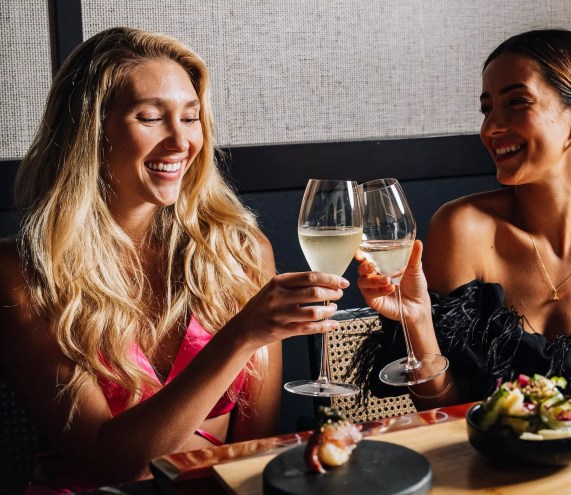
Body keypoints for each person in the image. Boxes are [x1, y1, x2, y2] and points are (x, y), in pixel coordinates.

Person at [0, 27, 349, 493]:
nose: (180, 141)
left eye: (190, 117)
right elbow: (112, 464)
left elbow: (255, 448)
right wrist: (242, 335)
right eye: (149, 117)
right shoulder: (23, 271)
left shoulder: (238, 252)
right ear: (89, 131)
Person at [352, 29, 571, 411]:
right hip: (487, 450)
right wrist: (418, 320)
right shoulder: (462, 229)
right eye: (487, 109)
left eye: (516, 102)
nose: (490, 128)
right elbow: (443, 412)